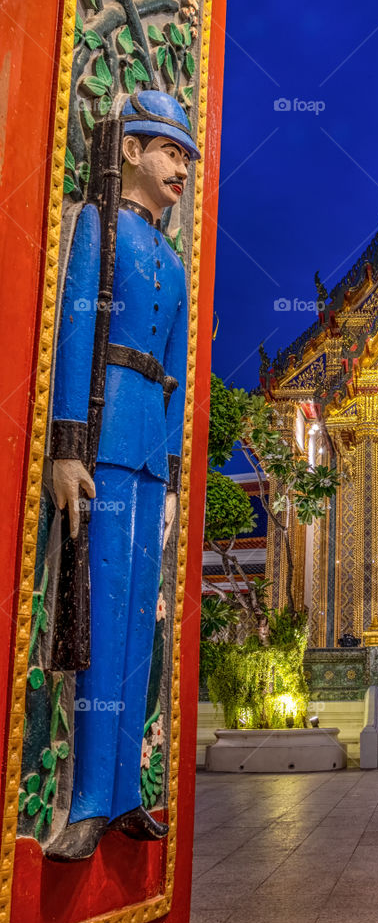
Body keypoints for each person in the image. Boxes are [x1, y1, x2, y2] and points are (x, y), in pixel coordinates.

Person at [46, 90, 199, 862]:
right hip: (101, 444)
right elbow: (77, 328)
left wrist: (172, 479)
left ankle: (129, 794)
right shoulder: (96, 233)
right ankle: (88, 798)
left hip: (146, 453)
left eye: (187, 156)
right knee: (100, 612)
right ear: (132, 150)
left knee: (143, 615)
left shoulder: (172, 261)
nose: (181, 167)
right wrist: (67, 443)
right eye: (169, 151)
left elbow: (175, 371)